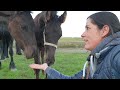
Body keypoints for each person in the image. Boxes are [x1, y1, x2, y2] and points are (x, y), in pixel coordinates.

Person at [29, 11, 120, 79]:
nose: (82, 34)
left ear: (104, 30)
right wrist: (46, 68)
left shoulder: (117, 55)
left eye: (87, 28)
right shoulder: (94, 61)